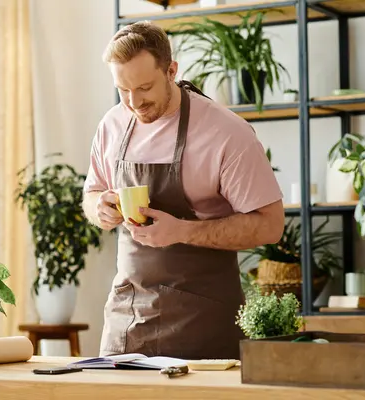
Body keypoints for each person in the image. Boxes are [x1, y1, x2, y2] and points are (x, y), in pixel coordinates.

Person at [82, 21, 284, 360]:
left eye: (145, 87)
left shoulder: (225, 133)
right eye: (123, 90)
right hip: (127, 319)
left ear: (171, 70)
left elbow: (271, 224)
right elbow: (92, 193)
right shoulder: (112, 125)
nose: (134, 102)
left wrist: (182, 231)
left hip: (202, 324)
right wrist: (98, 208)